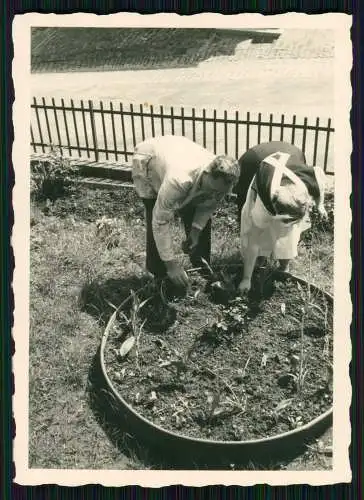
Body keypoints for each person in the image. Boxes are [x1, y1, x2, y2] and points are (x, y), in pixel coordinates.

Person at [132, 135, 240, 288]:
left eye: (220, 193)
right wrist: (171, 264)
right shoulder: (178, 180)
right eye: (214, 190)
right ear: (207, 173)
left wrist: (195, 232)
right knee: (154, 211)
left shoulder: (221, 181)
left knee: (198, 202)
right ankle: (159, 274)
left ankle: (200, 264)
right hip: (149, 158)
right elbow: (160, 221)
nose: (216, 196)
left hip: (179, 152)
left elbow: (208, 205)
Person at [234, 141, 327, 295]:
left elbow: (319, 184)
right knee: (260, 230)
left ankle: (284, 266)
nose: (288, 223)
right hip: (263, 164)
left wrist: (320, 205)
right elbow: (253, 240)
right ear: (274, 210)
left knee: (288, 234)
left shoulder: (308, 182)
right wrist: (246, 279)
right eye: (285, 219)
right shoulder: (264, 201)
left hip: (291, 155)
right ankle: (260, 260)